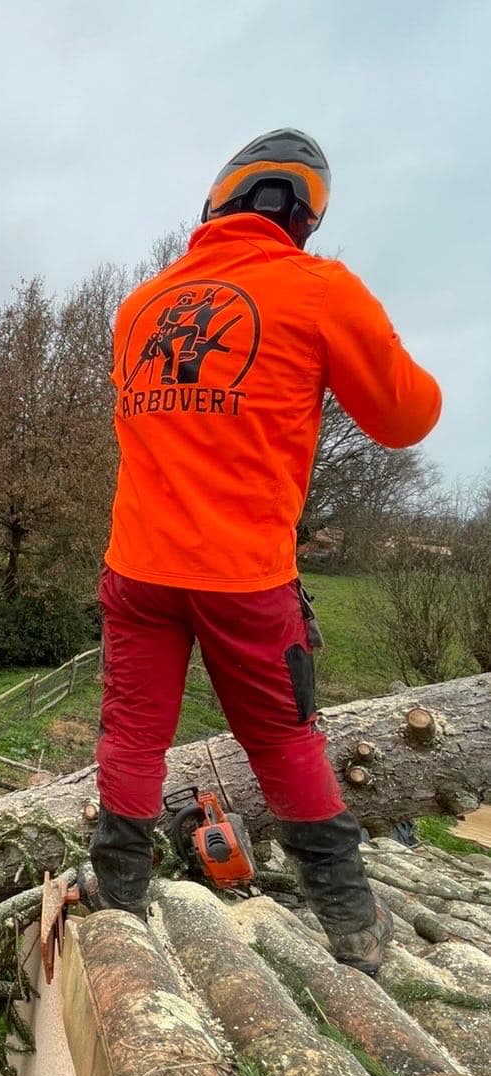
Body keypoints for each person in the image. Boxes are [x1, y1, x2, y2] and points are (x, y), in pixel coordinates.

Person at [91, 128, 442, 976]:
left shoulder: (140, 306)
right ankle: (352, 923)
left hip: (139, 566)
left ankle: (117, 896)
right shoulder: (318, 290)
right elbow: (407, 419)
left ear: (217, 205)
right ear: (304, 221)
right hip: (244, 576)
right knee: (284, 740)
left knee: (133, 734)